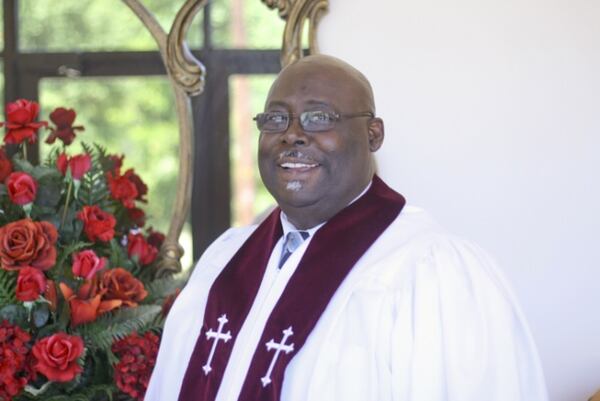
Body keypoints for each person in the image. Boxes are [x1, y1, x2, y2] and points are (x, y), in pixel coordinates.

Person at [145, 54, 548, 401]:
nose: (293, 135)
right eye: (276, 119)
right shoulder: (227, 259)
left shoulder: (431, 275)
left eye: (320, 118)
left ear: (373, 134)